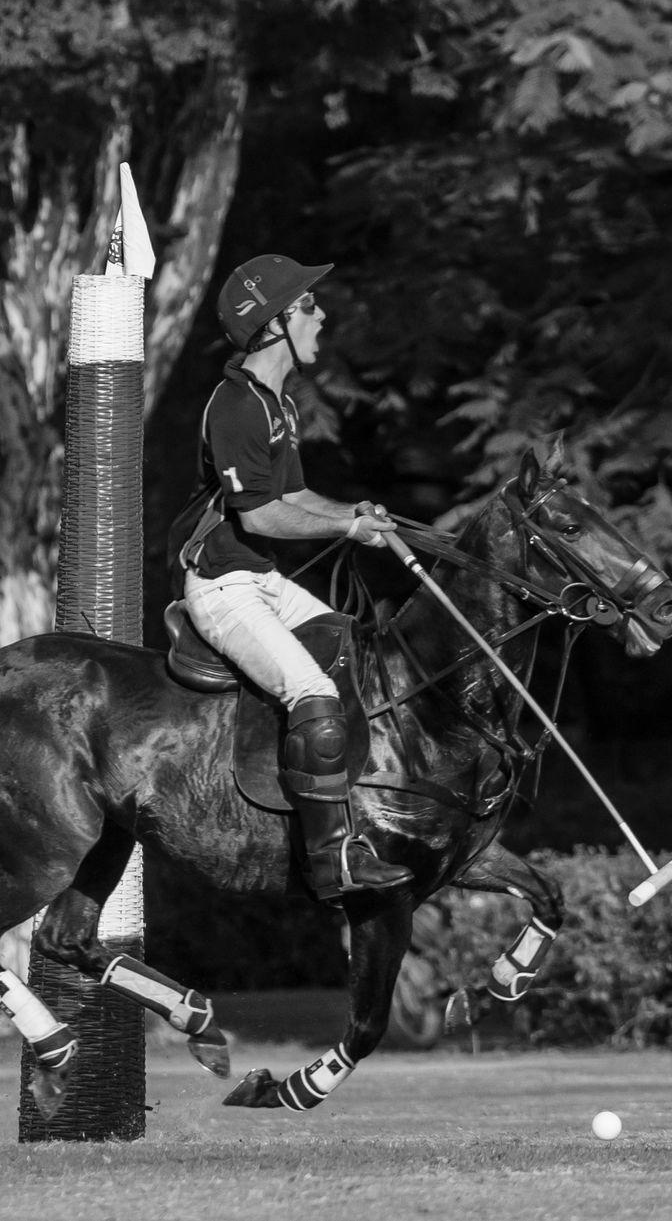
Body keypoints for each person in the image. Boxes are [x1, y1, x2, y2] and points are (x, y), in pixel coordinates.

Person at [169, 254, 412, 901]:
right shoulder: (237, 405)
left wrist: (351, 511)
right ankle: (331, 861)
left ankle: (363, 816)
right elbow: (265, 515)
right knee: (311, 687)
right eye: (308, 305)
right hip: (221, 585)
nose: (321, 314)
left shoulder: (280, 404)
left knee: (353, 649)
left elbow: (298, 496)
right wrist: (344, 530)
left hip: (260, 579)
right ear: (274, 323)